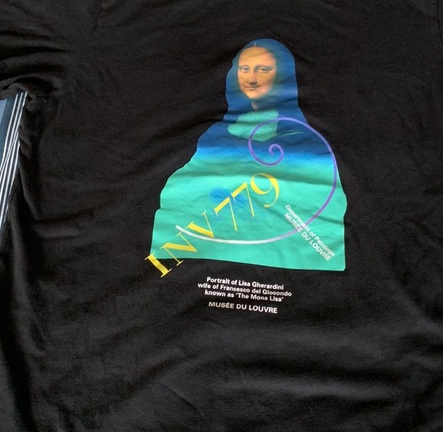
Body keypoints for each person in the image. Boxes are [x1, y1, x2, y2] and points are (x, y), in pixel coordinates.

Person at [148, 38, 347, 272]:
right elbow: (181, 188)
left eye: (263, 69)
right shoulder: (217, 133)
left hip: (276, 259)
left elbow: (322, 207)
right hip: (209, 250)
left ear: (282, 75)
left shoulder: (303, 139)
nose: (251, 78)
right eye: (244, 69)